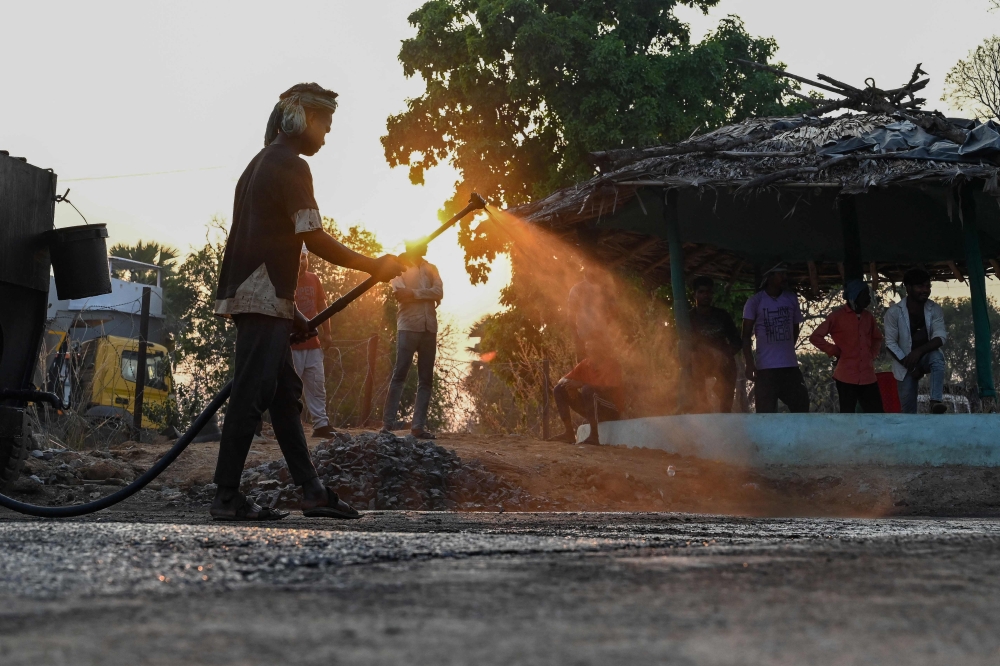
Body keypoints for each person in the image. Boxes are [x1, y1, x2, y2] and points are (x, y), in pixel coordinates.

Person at [210, 83, 404, 521]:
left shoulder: (258, 164)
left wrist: (291, 311)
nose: (326, 136)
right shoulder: (291, 166)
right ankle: (225, 496)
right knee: (251, 395)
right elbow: (311, 236)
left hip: (260, 294)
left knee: (283, 394)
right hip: (260, 295)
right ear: (304, 120)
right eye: (326, 126)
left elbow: (264, 239)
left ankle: (312, 490)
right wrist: (373, 264)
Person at [381, 239, 443, 439]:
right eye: (422, 244)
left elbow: (439, 292)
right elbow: (400, 294)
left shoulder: (432, 268)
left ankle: (418, 427)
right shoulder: (399, 268)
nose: (426, 247)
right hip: (408, 326)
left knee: (426, 379)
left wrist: (414, 293)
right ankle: (387, 425)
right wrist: (428, 295)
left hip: (429, 327)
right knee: (400, 374)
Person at [809, 279, 884, 413]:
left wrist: (872, 354)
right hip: (846, 376)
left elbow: (877, 338)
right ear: (854, 296)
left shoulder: (868, 317)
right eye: (865, 294)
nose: (868, 298)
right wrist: (833, 350)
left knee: (877, 414)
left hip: (868, 376)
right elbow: (815, 337)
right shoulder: (837, 317)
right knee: (847, 415)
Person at [742, 264, 809, 413]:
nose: (785, 277)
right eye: (781, 274)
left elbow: (795, 327)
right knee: (765, 414)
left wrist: (788, 349)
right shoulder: (755, 301)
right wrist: (749, 363)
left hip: (789, 367)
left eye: (785, 273)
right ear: (769, 276)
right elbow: (745, 336)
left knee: (802, 406)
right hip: (766, 369)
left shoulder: (791, 298)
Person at [884, 268, 948, 414]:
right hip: (904, 364)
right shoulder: (894, 312)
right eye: (920, 286)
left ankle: (935, 402)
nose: (925, 290)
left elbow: (940, 337)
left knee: (937, 357)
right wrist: (911, 367)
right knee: (908, 413)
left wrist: (918, 352)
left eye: (928, 286)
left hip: (925, 357)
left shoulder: (935, 309)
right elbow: (890, 344)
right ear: (908, 288)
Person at [291, 246, 336, 438]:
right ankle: (290, 425)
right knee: (291, 388)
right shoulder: (284, 281)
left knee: (317, 384)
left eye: (303, 258)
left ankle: (321, 424)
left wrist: (327, 332)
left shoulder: (314, 279)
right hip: (291, 344)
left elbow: (322, 306)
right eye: (297, 258)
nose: (300, 262)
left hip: (313, 343)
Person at [549, 340, 624, 445]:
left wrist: (580, 384)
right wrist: (571, 386)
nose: (590, 350)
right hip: (593, 407)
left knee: (588, 389)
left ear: (601, 348)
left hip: (611, 410)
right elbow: (562, 380)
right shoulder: (586, 364)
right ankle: (569, 433)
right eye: (588, 348)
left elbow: (608, 389)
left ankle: (594, 436)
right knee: (559, 389)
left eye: (593, 348)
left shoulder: (611, 365)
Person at [688, 276, 742, 412]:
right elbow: (689, 344)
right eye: (702, 292)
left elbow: (737, 341)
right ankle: (702, 410)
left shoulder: (722, 315)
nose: (706, 295)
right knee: (694, 359)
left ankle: (725, 416)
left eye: (709, 292)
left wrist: (725, 354)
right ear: (694, 294)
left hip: (722, 362)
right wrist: (711, 352)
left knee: (726, 396)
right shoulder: (689, 317)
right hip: (700, 362)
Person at [567, 264, 610, 362]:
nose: (596, 271)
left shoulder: (604, 290)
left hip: (601, 339)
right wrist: (578, 339)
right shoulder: (577, 289)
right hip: (583, 338)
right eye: (593, 267)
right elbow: (571, 317)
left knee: (603, 370)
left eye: (597, 268)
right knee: (585, 370)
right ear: (587, 269)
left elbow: (611, 314)